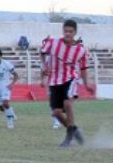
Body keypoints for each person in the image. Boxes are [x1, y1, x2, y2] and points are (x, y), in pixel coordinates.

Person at [40, 19, 94, 147]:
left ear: (75, 32)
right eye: (66, 31)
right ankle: (74, 130)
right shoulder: (53, 43)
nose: (68, 34)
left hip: (70, 79)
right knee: (56, 113)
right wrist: (44, 67)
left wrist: (87, 84)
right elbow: (42, 52)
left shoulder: (81, 50)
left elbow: (83, 69)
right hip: (54, 81)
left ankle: (68, 138)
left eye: (70, 31)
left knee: (68, 104)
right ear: (62, 31)